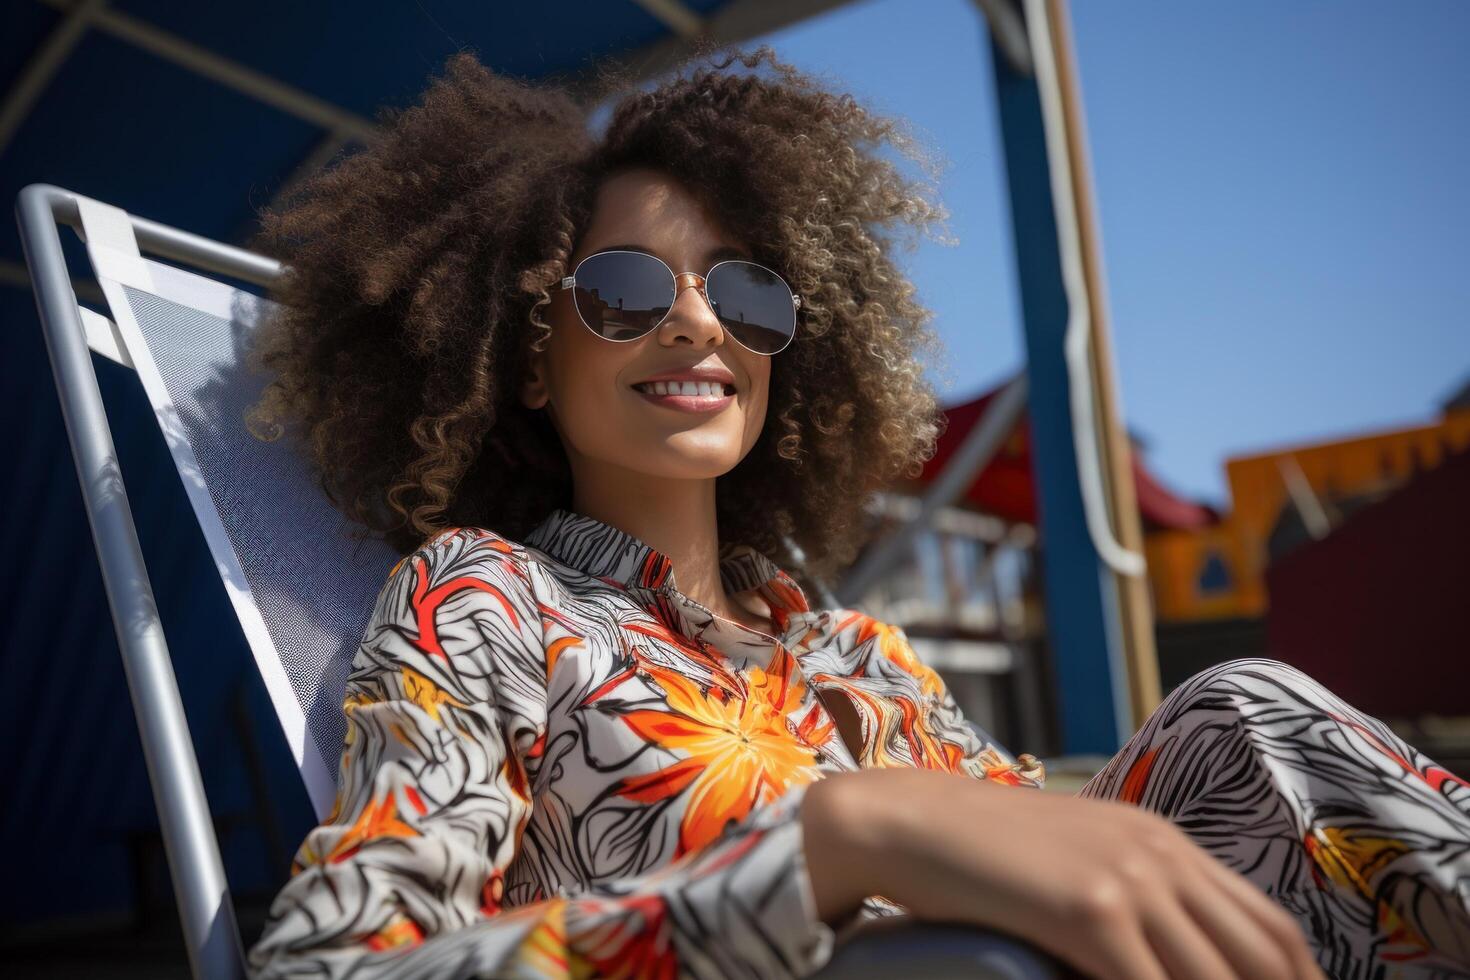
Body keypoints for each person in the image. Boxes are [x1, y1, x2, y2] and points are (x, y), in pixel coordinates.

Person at [240, 44, 1470, 980]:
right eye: (621, 288)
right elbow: (333, 961)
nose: (698, 322)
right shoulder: (484, 598)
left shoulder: (850, 648)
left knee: (1240, 715)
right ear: (519, 354)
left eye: (745, 296)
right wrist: (838, 840)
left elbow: (1062, 848)